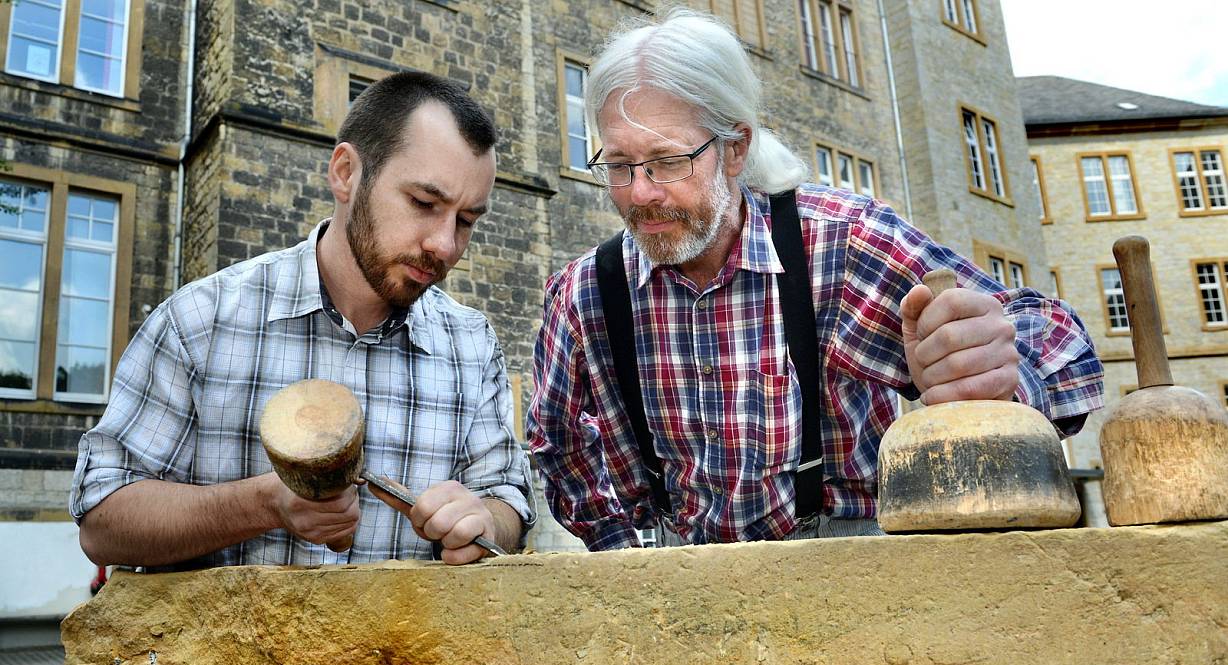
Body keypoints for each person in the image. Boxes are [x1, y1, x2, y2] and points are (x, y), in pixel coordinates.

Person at [526, 10, 1103, 550]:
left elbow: (1064, 349)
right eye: (621, 165)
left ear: (735, 148)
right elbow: (557, 449)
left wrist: (996, 372)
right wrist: (627, 558)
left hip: (851, 576)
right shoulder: (585, 296)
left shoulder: (843, 247)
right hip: (678, 598)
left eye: (668, 161)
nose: (641, 192)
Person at [70, 72, 534, 570]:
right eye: (424, 203)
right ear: (346, 173)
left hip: (403, 650)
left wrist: (483, 521)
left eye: (466, 221)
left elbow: (507, 499)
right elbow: (102, 521)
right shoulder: (201, 321)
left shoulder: (471, 343)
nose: (445, 244)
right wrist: (265, 503)